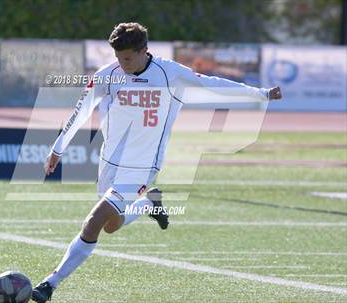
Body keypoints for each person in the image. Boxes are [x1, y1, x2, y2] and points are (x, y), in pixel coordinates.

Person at [31, 22, 282, 303]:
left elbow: (212, 85)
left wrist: (260, 93)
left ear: (143, 51)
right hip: (109, 162)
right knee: (111, 225)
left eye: (127, 58)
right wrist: (58, 148)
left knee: (93, 221)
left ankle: (50, 284)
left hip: (143, 165)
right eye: (117, 58)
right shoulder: (108, 75)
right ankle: (150, 203)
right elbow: (81, 110)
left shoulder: (169, 73)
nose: (122, 64)